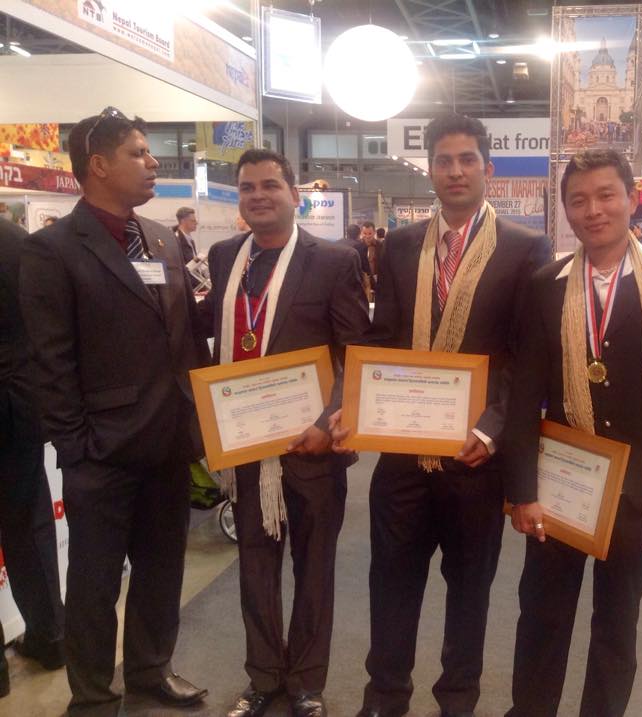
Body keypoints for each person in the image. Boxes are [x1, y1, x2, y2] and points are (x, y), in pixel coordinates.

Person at [349, 113, 551, 717]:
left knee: (469, 593)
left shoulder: (524, 248)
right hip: (402, 454)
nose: (455, 171)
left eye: (467, 160)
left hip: (475, 457)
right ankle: (385, 696)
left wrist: (493, 429)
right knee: (390, 583)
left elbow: (526, 356)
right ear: (430, 170)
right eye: (443, 161)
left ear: (488, 168)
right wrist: (360, 404)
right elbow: (383, 337)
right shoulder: (401, 244)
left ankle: (457, 700)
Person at [503, 149, 642, 717]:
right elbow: (523, 396)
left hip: (639, 490)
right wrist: (521, 491)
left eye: (605, 196)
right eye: (579, 200)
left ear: (631, 199)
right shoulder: (545, 285)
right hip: (561, 487)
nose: (593, 210)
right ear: (566, 210)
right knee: (541, 618)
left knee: (617, 626)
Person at [18, 108, 211, 716]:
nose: (153, 163)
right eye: (138, 153)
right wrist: (77, 446)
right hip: (102, 450)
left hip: (169, 443)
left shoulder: (160, 238)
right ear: (98, 165)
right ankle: (94, 696)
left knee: (162, 570)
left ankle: (151, 671)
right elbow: (50, 360)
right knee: (95, 583)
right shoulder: (52, 250)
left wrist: (201, 420)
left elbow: (183, 336)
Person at [199, 149, 370, 717]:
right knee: (255, 566)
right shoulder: (224, 257)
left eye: (270, 185)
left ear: (295, 195)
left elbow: (355, 353)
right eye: (247, 187)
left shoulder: (333, 261)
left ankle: (306, 684)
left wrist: (328, 422)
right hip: (246, 444)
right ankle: (264, 677)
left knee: (314, 567)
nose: (258, 195)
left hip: (311, 447)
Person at [0, 217, 66, 689]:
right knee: (30, 522)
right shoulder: (17, 239)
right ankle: (51, 636)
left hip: (18, 397)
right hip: (20, 401)